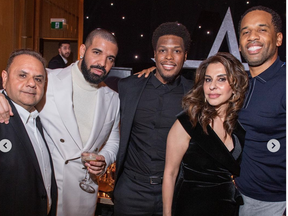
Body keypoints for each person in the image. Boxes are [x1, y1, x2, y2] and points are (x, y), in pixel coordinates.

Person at [0, 28, 120, 216]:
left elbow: (114, 140)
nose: (102, 63)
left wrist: (105, 158)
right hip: (47, 188)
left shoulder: (113, 98)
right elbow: (18, 89)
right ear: (82, 50)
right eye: (97, 52)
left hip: (84, 192)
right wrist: (1, 95)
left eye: (110, 58)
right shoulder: (48, 79)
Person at [113, 22, 193, 216]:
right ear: (155, 54)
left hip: (175, 191)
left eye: (176, 51)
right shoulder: (128, 87)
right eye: (163, 50)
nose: (169, 57)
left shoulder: (194, 94)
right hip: (131, 190)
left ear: (185, 56)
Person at [162, 52, 248, 216]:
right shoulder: (188, 123)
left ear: (235, 84)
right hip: (190, 207)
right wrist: (167, 214)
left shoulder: (238, 127)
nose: (212, 86)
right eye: (208, 79)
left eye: (221, 79)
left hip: (227, 208)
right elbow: (170, 173)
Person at [235, 6, 286, 216]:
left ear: (278, 39)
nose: (252, 37)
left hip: (273, 204)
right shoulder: (238, 83)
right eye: (245, 32)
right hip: (237, 196)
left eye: (262, 29)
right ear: (239, 45)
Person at [0, 49, 57, 216]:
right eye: (22, 75)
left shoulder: (36, 119)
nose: (32, 83)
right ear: (4, 78)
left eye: (38, 79)